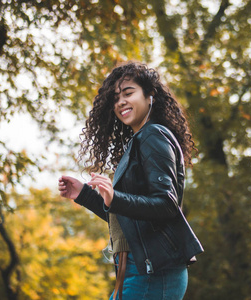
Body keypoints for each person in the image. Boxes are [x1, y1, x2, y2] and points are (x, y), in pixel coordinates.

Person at [58, 61, 203, 300]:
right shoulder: (139, 141)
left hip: (153, 274)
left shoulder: (152, 136)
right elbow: (128, 219)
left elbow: (166, 204)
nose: (121, 102)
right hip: (137, 270)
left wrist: (115, 197)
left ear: (150, 96)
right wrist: (84, 194)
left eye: (128, 93)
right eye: (115, 98)